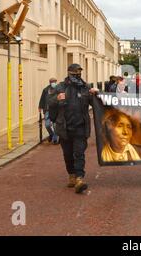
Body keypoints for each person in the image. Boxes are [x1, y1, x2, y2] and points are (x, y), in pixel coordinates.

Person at [48, 64, 98, 194]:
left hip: (81, 127)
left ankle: (79, 178)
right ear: (69, 73)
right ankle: (71, 174)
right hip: (65, 127)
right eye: (75, 73)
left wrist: (96, 95)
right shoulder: (60, 87)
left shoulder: (86, 88)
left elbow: (96, 104)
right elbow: (49, 102)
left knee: (79, 153)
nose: (77, 75)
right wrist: (56, 98)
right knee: (68, 154)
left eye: (79, 73)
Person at [39, 78, 59, 144]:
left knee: (55, 126)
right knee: (47, 125)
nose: (53, 83)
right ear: (49, 82)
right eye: (51, 82)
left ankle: (55, 139)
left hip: (56, 110)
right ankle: (52, 134)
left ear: (56, 82)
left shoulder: (59, 89)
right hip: (47, 110)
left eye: (54, 82)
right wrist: (40, 106)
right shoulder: (46, 90)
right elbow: (42, 99)